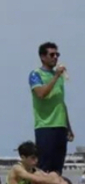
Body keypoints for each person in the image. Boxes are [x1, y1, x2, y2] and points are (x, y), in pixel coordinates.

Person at [29, 42, 74, 175]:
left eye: (57, 54)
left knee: (57, 168)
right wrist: (55, 77)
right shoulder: (35, 74)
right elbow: (41, 94)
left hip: (60, 126)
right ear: (43, 57)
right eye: (52, 54)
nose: (55, 57)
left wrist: (69, 127)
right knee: (44, 168)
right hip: (45, 126)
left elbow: (61, 103)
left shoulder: (59, 78)